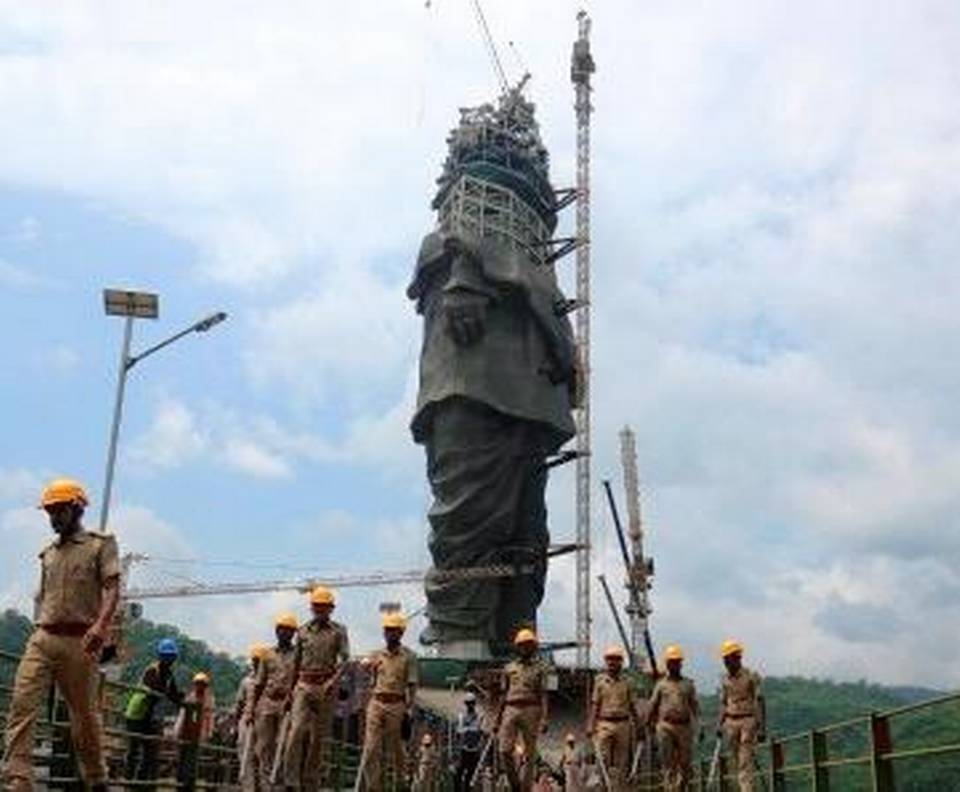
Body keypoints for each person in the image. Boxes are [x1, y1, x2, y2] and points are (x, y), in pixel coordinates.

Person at [2, 478, 120, 792]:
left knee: (83, 716)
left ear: (76, 509)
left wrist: (101, 626)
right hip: (43, 636)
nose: (53, 517)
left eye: (59, 511)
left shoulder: (100, 544)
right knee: (22, 703)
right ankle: (18, 778)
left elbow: (112, 588)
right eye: (50, 512)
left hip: (80, 640)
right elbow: (44, 598)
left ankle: (96, 778)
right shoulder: (48, 555)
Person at [283, 586, 349, 790]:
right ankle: (290, 780)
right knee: (296, 732)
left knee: (318, 739)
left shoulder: (339, 631)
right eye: (316, 606)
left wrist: (333, 681)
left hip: (326, 687)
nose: (319, 610)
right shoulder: (302, 631)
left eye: (324, 607)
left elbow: (345, 660)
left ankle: (310, 781)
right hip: (303, 684)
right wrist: (289, 692)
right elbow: (295, 663)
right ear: (312, 608)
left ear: (331, 609)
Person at [361, 611, 419, 791]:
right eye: (387, 630)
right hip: (377, 702)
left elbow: (412, 685)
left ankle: (400, 784)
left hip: (397, 705)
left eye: (393, 630)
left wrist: (409, 710)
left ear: (401, 633)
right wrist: (366, 666)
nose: (389, 633)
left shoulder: (409, 656)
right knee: (370, 749)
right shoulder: (377, 654)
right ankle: (374, 787)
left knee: (397, 751)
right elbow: (364, 669)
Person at [124, 637, 185, 786]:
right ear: (160, 656)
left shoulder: (169, 675)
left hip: (150, 716)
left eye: (171, 657)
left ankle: (141, 783)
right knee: (134, 750)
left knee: (149, 751)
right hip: (137, 713)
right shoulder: (153, 670)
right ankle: (128, 782)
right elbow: (155, 689)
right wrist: (172, 695)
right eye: (166, 656)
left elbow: (173, 694)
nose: (168, 659)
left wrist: (183, 701)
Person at [495, 629, 550, 792]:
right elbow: (503, 694)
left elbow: (544, 695)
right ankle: (515, 786)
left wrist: (545, 718)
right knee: (504, 750)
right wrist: (498, 718)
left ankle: (525, 789)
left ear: (534, 647)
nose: (525, 647)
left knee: (530, 755)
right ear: (518, 647)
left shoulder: (541, 668)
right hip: (510, 708)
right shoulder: (509, 668)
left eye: (528, 644)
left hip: (531, 708)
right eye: (522, 645)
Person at [250, 613, 298, 790]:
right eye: (282, 629)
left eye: (289, 630)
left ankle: (281, 785)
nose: (285, 633)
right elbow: (259, 684)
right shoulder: (267, 655)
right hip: (267, 703)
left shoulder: (298, 655)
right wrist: (251, 710)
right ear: (276, 631)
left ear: (294, 633)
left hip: (289, 705)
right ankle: (264, 786)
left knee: (285, 746)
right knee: (264, 748)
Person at [647, 645, 698, 792]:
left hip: (684, 727)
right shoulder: (661, 684)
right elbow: (653, 704)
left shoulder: (688, 684)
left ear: (681, 663)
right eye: (671, 661)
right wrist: (647, 724)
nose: (674, 664)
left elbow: (694, 706)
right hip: (665, 726)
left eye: (677, 661)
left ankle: (682, 787)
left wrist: (699, 726)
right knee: (667, 763)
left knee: (685, 764)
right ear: (667, 664)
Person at [586, 646, 638, 792]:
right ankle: (603, 789)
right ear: (606, 662)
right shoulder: (600, 681)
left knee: (622, 763)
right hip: (604, 724)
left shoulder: (628, 682)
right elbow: (595, 703)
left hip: (623, 725)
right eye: (609, 659)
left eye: (615, 659)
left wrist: (638, 725)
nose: (612, 662)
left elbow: (632, 705)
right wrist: (591, 724)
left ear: (621, 662)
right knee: (602, 761)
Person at [716, 640, 765, 792]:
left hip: (747, 722)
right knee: (737, 762)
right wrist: (719, 723)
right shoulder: (724, 679)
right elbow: (723, 703)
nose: (725, 662)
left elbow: (759, 701)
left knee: (745, 761)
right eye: (724, 659)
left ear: (737, 658)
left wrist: (762, 726)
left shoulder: (751, 676)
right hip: (730, 723)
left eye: (728, 658)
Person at [236, 643, 268, 791]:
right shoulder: (246, 681)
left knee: (262, 757)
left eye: (259, 660)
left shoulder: (270, 682)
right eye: (254, 660)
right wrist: (236, 724)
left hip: (264, 722)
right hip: (247, 721)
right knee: (245, 755)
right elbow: (239, 703)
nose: (256, 663)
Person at [176, 672, 215, 792]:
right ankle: (181, 784)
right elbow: (182, 715)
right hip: (186, 732)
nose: (199, 686)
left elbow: (210, 716)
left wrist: (209, 732)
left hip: (198, 733)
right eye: (198, 683)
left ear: (206, 685)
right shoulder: (190, 697)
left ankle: (188, 785)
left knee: (192, 761)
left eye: (202, 684)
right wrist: (177, 729)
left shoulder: (209, 700)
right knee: (183, 759)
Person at [454, 691, 485, 792]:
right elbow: (458, 733)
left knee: (470, 775)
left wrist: (480, 745)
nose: (470, 705)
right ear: (465, 704)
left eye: (471, 702)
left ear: (474, 703)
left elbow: (481, 732)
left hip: (475, 750)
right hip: (463, 749)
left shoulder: (479, 717)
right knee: (458, 773)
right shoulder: (461, 716)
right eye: (468, 703)